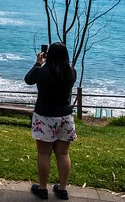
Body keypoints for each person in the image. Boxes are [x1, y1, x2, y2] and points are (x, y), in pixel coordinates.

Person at [24, 42, 77, 200]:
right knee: (63, 153)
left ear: (49, 55)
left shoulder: (43, 72)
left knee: (44, 153)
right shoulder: (71, 73)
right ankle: (62, 189)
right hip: (65, 117)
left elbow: (28, 79)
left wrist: (38, 63)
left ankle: (42, 188)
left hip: (45, 116)